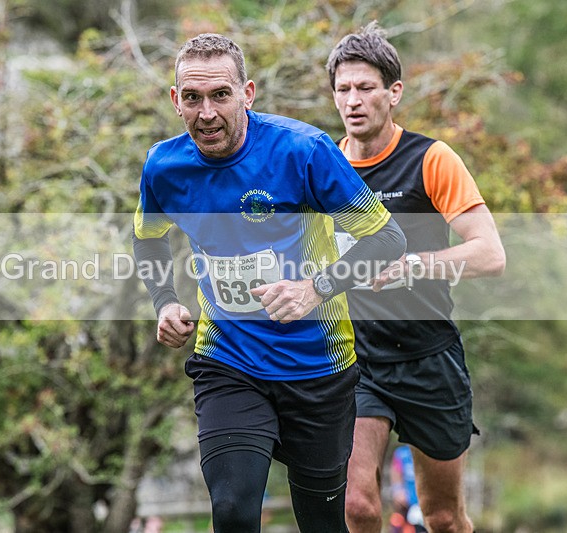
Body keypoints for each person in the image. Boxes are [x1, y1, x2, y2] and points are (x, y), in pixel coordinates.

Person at [133, 33, 406, 533]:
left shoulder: (303, 151)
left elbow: (387, 238)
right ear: (175, 100)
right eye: (192, 98)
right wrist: (165, 301)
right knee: (233, 510)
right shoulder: (164, 167)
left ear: (248, 93)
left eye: (221, 95)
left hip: (317, 365)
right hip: (228, 359)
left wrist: (315, 288)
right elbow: (147, 240)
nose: (207, 113)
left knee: (322, 522)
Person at [325, 22, 506, 533]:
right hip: (357, 359)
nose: (353, 101)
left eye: (365, 88)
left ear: (394, 93)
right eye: (343, 89)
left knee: (443, 517)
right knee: (356, 505)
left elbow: (490, 254)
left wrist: (413, 266)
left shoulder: (430, 159)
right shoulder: (324, 167)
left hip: (428, 357)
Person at [389, 445, 426, 533]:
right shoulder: (401, 453)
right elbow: (395, 473)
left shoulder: (428, 452)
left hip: (424, 503)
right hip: (408, 505)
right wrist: (398, 491)